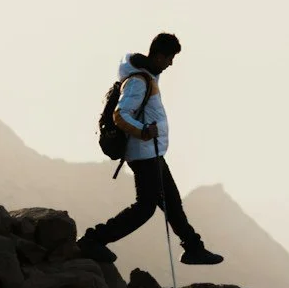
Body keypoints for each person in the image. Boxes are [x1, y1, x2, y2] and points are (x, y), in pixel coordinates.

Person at [80, 31, 223, 267]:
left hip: (151, 153)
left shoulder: (147, 77)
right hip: (143, 154)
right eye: (169, 58)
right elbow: (120, 115)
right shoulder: (138, 82)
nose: (171, 63)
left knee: (172, 203)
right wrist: (145, 131)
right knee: (145, 208)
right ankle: (93, 239)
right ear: (158, 56)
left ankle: (193, 248)